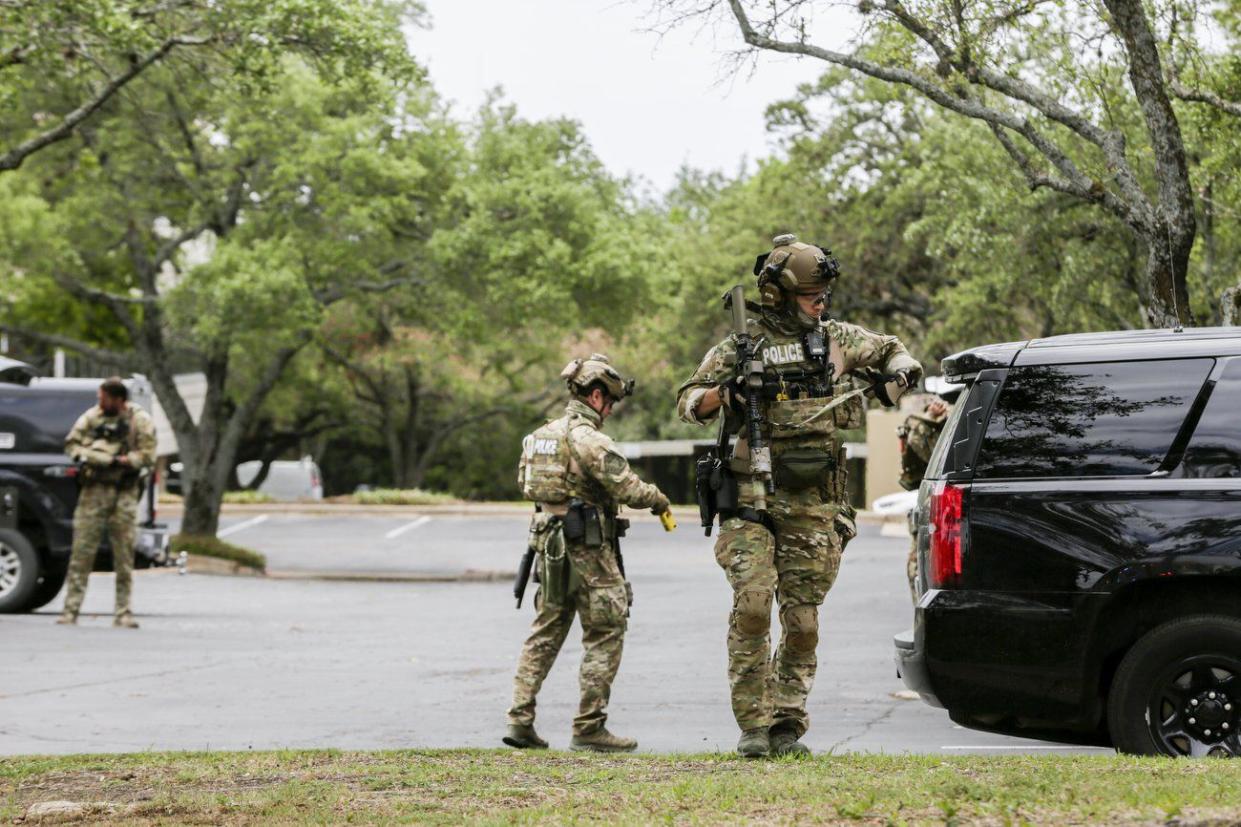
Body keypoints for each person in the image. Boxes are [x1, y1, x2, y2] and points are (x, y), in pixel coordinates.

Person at [676, 233, 921, 758]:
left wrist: (901, 371)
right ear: (780, 294)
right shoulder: (742, 346)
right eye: (812, 294)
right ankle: (754, 728)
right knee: (754, 605)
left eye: (824, 294)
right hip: (751, 496)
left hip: (814, 499)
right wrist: (725, 393)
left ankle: (787, 722)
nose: (821, 302)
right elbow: (688, 400)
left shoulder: (835, 338)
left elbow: (893, 349)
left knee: (803, 620)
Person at [505, 354, 672, 753]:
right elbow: (628, 489)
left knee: (546, 629)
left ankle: (519, 720)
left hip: (548, 545)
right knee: (606, 628)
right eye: (610, 402)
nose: (611, 410)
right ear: (596, 396)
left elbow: (525, 484)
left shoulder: (539, 436)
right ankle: (589, 726)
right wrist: (659, 499)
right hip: (588, 546)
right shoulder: (589, 439)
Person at [58, 377, 157, 627]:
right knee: (81, 552)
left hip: (124, 491)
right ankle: (71, 611)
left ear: (118, 399)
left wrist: (123, 461)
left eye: (103, 398)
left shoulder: (139, 420)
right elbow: (71, 445)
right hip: (94, 491)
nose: (99, 403)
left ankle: (122, 612)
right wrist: (97, 456)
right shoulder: (92, 417)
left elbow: (148, 455)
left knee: (124, 554)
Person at [897, 381, 961, 600]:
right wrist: (931, 419)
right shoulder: (923, 424)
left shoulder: (963, 417)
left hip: (951, 510)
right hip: (935, 509)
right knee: (920, 570)